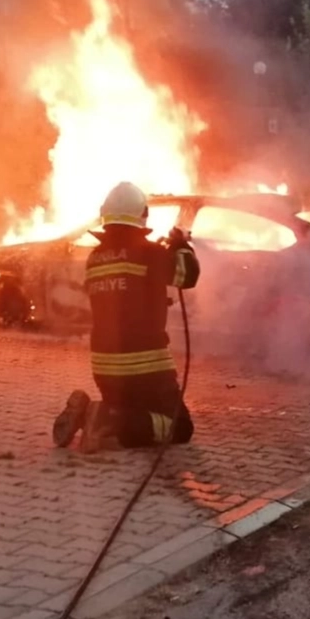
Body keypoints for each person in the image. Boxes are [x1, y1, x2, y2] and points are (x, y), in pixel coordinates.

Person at [52, 182, 200, 453]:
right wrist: (181, 245)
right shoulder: (149, 253)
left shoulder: (95, 257)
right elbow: (187, 275)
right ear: (142, 215)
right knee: (178, 427)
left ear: (105, 215)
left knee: (134, 410)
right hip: (146, 367)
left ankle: (96, 413)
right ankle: (106, 417)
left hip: (105, 368)